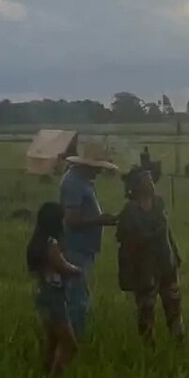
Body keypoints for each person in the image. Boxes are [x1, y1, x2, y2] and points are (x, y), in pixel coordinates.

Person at [58, 140, 120, 339]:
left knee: (78, 295)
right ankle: (73, 340)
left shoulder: (85, 182)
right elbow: (72, 219)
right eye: (98, 167)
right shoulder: (73, 182)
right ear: (86, 165)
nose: (100, 172)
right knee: (78, 299)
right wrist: (100, 220)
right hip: (75, 248)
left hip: (84, 248)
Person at [116, 166, 184, 343]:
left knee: (174, 302)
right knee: (146, 306)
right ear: (137, 186)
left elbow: (167, 232)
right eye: (147, 181)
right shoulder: (130, 210)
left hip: (166, 262)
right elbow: (125, 240)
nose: (151, 184)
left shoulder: (159, 203)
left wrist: (175, 253)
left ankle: (178, 338)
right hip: (144, 266)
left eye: (151, 181)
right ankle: (148, 344)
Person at [27, 202, 82, 375]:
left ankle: (45, 374)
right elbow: (62, 266)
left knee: (53, 342)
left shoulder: (38, 241)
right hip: (54, 298)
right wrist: (78, 270)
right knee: (69, 345)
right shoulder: (51, 244)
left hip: (44, 294)